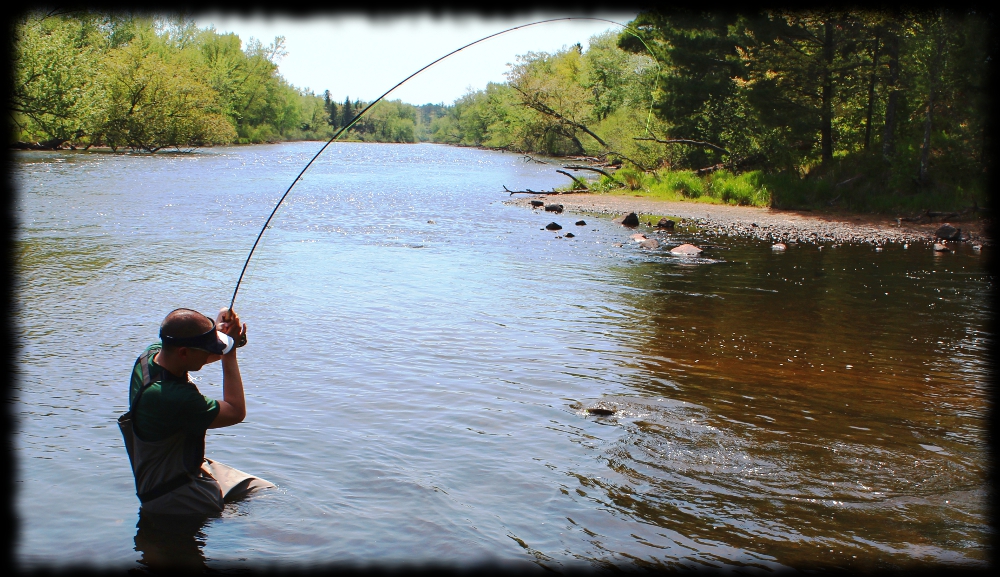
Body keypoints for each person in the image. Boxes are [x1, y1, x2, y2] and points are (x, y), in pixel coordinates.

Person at [118, 307, 274, 515]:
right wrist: (230, 353)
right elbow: (236, 411)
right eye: (207, 348)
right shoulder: (171, 397)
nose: (212, 354)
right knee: (256, 515)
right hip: (172, 493)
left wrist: (220, 336)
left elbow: (200, 354)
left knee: (264, 492)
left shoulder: (151, 355)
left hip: (183, 468)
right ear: (183, 353)